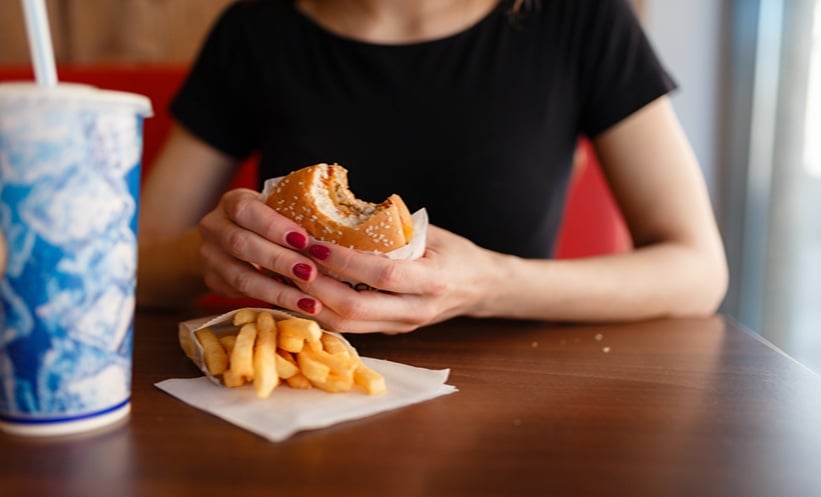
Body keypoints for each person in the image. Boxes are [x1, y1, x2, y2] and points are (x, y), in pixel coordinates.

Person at [137, 0, 728, 333]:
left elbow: (698, 271)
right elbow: (132, 264)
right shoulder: (256, 29)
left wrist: (490, 285)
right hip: (296, 401)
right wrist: (216, 255)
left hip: (517, 410)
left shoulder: (580, 18)